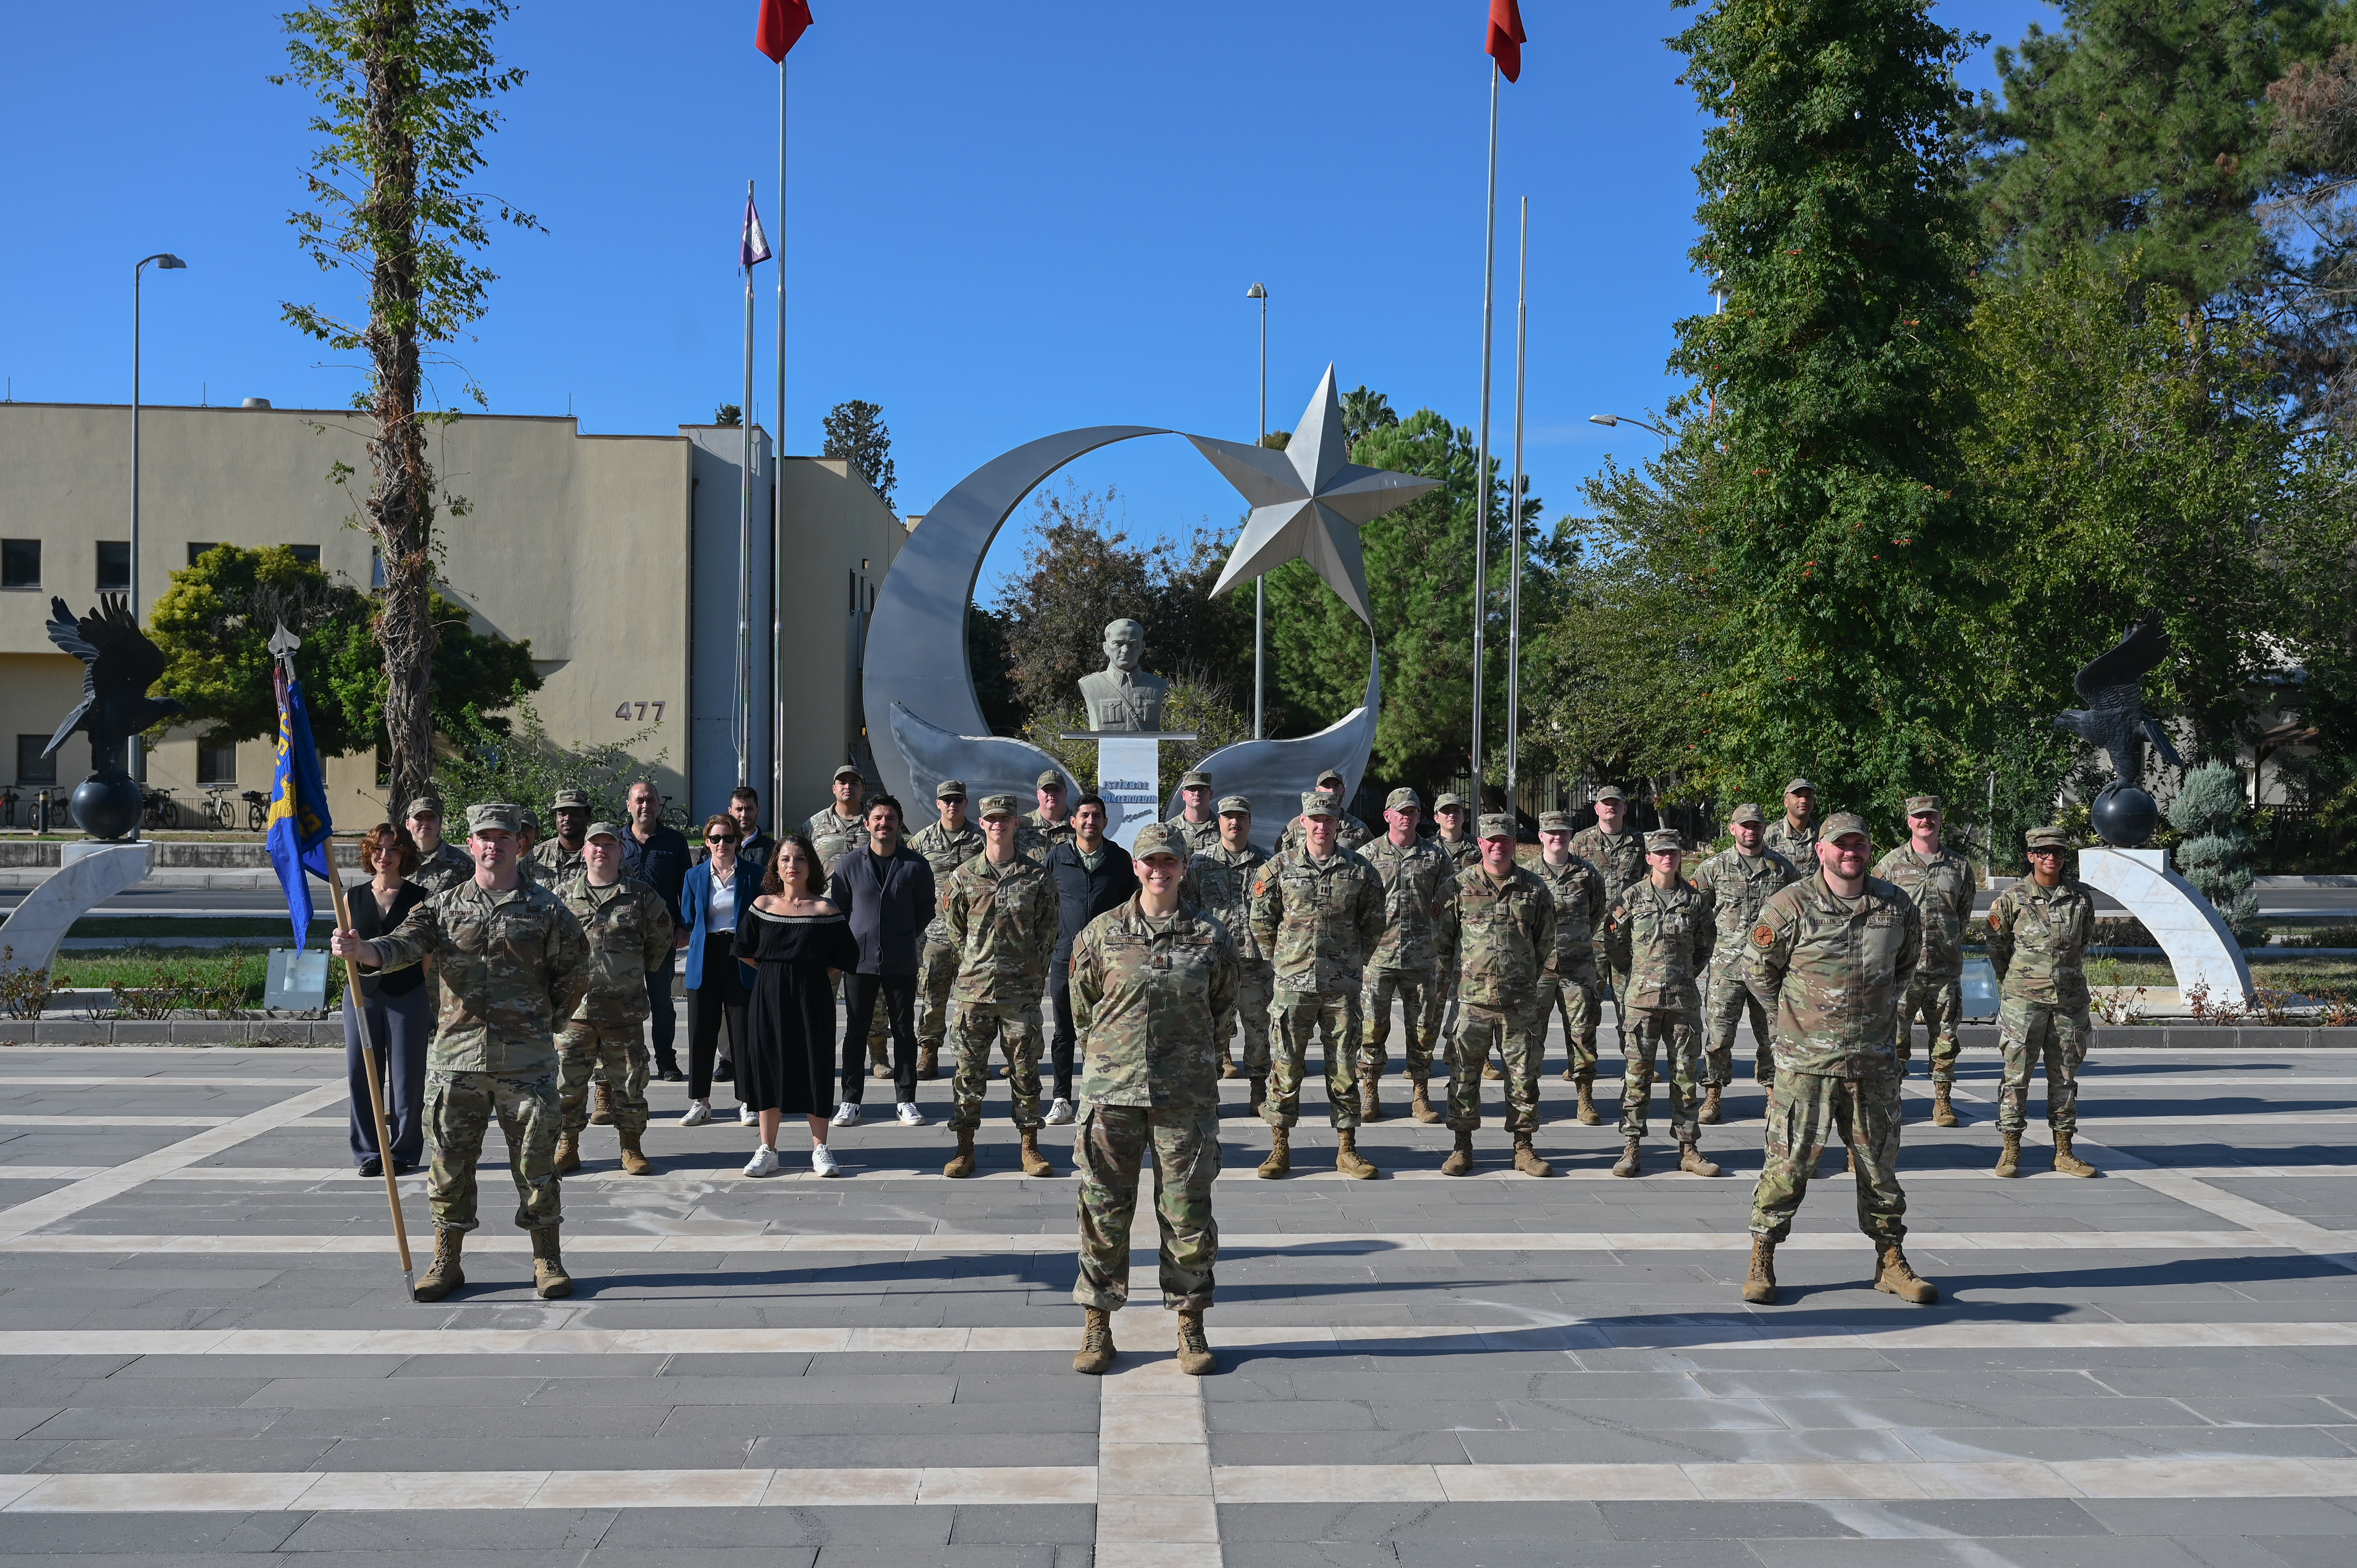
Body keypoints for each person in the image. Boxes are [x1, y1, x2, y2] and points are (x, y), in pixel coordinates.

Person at [330, 803, 591, 1303]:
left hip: (526, 1063)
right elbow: (403, 945)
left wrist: (545, 1023)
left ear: (520, 844)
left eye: (504, 837)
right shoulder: (443, 906)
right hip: (458, 1063)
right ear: (471, 845)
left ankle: (548, 1259)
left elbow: (575, 971)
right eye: (484, 837)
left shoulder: (547, 909)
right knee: (449, 1166)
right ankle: (447, 1261)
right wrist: (363, 952)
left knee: (537, 1166)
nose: (494, 845)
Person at [1743, 811, 1938, 1306]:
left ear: (1869, 849)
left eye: (1859, 844)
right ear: (1821, 851)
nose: (1851, 852)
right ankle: (1762, 1257)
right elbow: (1759, 972)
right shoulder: (1790, 905)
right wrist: (1797, 1025)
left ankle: (1890, 1262)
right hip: (1806, 1067)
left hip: (1873, 1064)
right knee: (1788, 1167)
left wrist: (1873, 1018)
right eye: (1841, 845)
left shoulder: (1896, 906)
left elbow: (1904, 968)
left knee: (1879, 1169)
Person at [1067, 822, 1234, 1378]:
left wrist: (1191, 1060)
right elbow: (1082, 1009)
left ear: (1184, 867)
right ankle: (1097, 1322)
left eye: (1169, 861)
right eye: (1150, 861)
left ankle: (1190, 1323)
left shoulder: (1210, 936)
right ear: (1136, 867)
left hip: (1184, 1098)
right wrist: (1110, 1058)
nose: (1159, 870)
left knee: (1188, 1213)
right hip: (1112, 1094)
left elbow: (1223, 1010)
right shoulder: (1101, 933)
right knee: (1102, 1212)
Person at [1249, 790, 1384, 1179]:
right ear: (1303, 822)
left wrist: (1351, 962)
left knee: (1343, 1067)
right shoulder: (1278, 868)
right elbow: (1261, 919)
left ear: (1337, 823)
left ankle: (1347, 1148)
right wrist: (1281, 961)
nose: (1322, 826)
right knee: (1286, 1066)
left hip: (1341, 987)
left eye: (1328, 819)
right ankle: (1279, 1147)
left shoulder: (1359, 870)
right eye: (1315, 819)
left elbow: (1374, 922)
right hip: (1293, 986)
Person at [941, 793, 1062, 1178]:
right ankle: (964, 1149)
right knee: (968, 1073)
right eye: (992, 819)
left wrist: (1030, 973)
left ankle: (1030, 1146)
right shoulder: (963, 876)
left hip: (1020, 993)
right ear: (982, 824)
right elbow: (956, 932)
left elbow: (1048, 931)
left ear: (1016, 823)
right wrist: (976, 963)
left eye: (1005, 819)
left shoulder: (1037, 876)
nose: (998, 824)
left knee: (1026, 1071)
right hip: (974, 993)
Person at [1434, 813, 1559, 1177]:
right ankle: (1461, 1148)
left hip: (1518, 1002)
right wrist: (1463, 977)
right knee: (1463, 1076)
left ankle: (1523, 1148)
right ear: (1481, 843)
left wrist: (1523, 976)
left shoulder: (1534, 887)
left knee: (1523, 1077)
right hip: (1471, 1001)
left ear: (1514, 844)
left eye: (1504, 840)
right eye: (1491, 840)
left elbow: (1545, 940)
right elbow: (1441, 940)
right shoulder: (1457, 886)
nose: (1497, 846)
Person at [552, 821, 672, 1178]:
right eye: (595, 844)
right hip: (574, 1012)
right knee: (566, 1084)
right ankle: (568, 1146)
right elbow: (547, 945)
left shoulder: (642, 896)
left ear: (621, 852)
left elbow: (661, 939)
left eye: (609, 845)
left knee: (630, 1083)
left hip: (624, 1010)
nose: (601, 850)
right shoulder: (562, 896)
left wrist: (630, 974)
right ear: (585, 851)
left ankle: (631, 1147)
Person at [738, 834, 861, 1177]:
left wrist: (809, 972)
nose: (793, 865)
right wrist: (775, 971)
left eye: (800, 858)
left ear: (812, 865)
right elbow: (744, 949)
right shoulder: (762, 904)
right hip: (768, 998)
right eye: (786, 859)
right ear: (775, 866)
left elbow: (846, 956)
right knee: (768, 1066)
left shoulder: (826, 909)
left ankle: (821, 1148)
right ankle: (768, 1149)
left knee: (815, 1065)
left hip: (813, 998)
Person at [1603, 829, 1717, 1179]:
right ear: (1649, 858)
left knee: (1685, 1077)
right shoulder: (1631, 898)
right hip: (1642, 1003)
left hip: (1682, 1002)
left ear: (1680, 857)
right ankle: (1631, 1147)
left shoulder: (1694, 901)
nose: (1667, 858)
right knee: (1637, 1077)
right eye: (1660, 853)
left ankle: (1688, 1149)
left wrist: (1683, 974)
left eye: (1673, 852)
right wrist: (1639, 973)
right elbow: (1614, 941)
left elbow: (1706, 944)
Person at [1987, 825, 2099, 1179]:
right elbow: (1997, 946)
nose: (2052, 857)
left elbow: (2083, 942)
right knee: (2016, 1077)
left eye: (2059, 851)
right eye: (2044, 851)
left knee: (2065, 1077)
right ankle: (2010, 1150)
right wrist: (2015, 982)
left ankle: (2064, 1152)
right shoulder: (2012, 898)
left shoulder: (2080, 897)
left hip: (2069, 1002)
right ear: (2031, 856)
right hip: (2023, 1002)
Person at [827, 793, 935, 1129]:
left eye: (890, 818)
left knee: (903, 1031)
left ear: (899, 824)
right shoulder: (849, 864)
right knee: (856, 1031)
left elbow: (925, 910)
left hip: (901, 961)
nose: (884, 823)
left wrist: (901, 935)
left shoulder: (915, 865)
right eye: (878, 818)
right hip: (859, 961)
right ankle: (850, 1101)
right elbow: (840, 909)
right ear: (867, 823)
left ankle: (906, 1100)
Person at [1690, 804, 1802, 1124]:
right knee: (1719, 1036)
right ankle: (1713, 1094)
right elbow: (1695, 912)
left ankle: (1773, 1092)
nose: (1750, 831)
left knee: (1773, 1036)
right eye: (1744, 825)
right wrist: (1703, 952)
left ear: (1764, 828)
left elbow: (1797, 914)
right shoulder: (1713, 868)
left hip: (1769, 970)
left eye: (1755, 825)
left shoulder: (1782, 869)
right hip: (1727, 968)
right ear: (1733, 829)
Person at [1875, 795, 1979, 1127]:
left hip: (1944, 968)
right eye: (1919, 816)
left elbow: (1962, 914)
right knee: (1894, 1039)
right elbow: (1878, 913)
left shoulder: (1959, 866)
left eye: (1931, 816)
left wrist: (1946, 942)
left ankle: (1943, 1101)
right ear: (1909, 821)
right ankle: (1892, 1100)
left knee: (1945, 1039)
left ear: (1940, 820)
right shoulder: (1890, 865)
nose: (1925, 821)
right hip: (1901, 970)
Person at [1355, 787, 1452, 1124]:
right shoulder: (1367, 854)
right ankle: (1370, 1093)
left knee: (1423, 1030)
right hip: (1378, 956)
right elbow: (1355, 904)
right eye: (1400, 811)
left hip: (1422, 958)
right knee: (1372, 1028)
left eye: (1412, 812)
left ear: (1419, 816)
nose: (1406, 817)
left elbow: (1449, 905)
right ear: (1387, 815)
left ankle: (1420, 1095)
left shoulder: (1435, 857)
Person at [341, 822, 430, 1178]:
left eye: (393, 849)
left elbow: (426, 954)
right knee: (362, 1073)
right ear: (369, 853)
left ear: (404, 854)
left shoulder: (420, 897)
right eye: (378, 848)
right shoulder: (352, 896)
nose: (385, 855)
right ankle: (368, 1151)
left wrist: (410, 986)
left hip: (407, 994)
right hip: (362, 996)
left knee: (408, 1077)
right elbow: (347, 947)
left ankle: (403, 1151)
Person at [1046, 795, 1138, 1126]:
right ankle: (1061, 1098)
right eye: (1084, 815)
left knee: (1107, 1031)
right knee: (1064, 1032)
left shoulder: (1119, 859)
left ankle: (1100, 1097)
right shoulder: (1057, 858)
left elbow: (1132, 907)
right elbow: (1043, 904)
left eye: (1096, 815)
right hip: (1065, 958)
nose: (1090, 821)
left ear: (1105, 822)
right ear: (1073, 822)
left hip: (1108, 961)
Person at [1182, 796, 1270, 1098]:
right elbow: (1188, 912)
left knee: (1259, 1030)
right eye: (1228, 817)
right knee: (1209, 1031)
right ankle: (1209, 1096)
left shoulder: (1267, 863)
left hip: (1255, 963)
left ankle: (1259, 1092)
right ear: (1218, 821)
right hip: (1213, 962)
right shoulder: (1199, 863)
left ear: (1250, 822)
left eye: (1241, 817)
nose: (1235, 822)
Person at [806, 762, 888, 1080]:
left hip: (865, 923)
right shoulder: (813, 825)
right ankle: (820, 1055)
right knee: (820, 993)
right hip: (825, 924)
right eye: (842, 782)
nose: (848, 787)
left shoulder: (875, 822)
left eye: (854, 782)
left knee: (872, 996)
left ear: (863, 788)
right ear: (834, 788)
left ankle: (878, 1054)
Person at [1532, 811, 1609, 1127]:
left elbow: (1597, 912)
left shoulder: (1587, 873)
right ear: (1541, 836)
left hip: (1577, 967)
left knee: (1582, 1034)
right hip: (1538, 969)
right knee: (1529, 1035)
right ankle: (1527, 1098)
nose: (1557, 838)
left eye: (1563, 833)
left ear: (1570, 836)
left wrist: (1576, 941)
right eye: (1551, 833)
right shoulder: (1527, 873)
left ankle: (1585, 1098)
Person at [677, 814, 753, 1127]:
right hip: (705, 954)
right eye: (716, 838)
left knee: (743, 1031)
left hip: (741, 955)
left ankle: (749, 1101)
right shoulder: (694, 875)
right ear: (707, 842)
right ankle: (701, 1102)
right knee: (701, 1031)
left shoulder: (753, 873)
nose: (723, 844)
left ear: (737, 841)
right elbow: (687, 916)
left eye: (729, 838)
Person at [908, 779, 986, 1082]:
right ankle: (928, 1053)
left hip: (974, 937)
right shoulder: (922, 841)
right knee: (933, 999)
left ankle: (972, 1059)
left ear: (966, 803)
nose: (952, 805)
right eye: (947, 800)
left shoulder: (981, 840)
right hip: (936, 936)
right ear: (938, 804)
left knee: (974, 1003)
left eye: (958, 800)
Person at [622, 780, 693, 1082]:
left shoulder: (674, 841)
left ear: (658, 805)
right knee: (625, 1002)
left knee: (662, 1002)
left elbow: (686, 888)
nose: (645, 805)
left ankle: (666, 1061)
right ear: (629, 805)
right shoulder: (616, 841)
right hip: (623, 937)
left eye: (651, 800)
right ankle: (630, 1061)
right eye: (639, 800)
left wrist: (684, 926)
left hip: (662, 938)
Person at [1571, 786, 1646, 1050]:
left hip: (1629, 938)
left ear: (1625, 808)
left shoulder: (1640, 842)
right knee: (1587, 1005)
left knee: (1631, 1005)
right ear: (1597, 809)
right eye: (1605, 803)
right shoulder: (1580, 842)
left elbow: (1650, 883)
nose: (1610, 807)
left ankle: (1636, 1063)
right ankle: (1584, 1065)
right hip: (1592, 937)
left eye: (1616, 803)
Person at [1424, 792, 1483, 1073]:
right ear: (1436, 817)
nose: (1452, 815)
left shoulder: (1479, 848)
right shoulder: (1426, 849)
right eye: (1446, 811)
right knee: (1434, 998)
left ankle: (1468, 1052)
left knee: (1471, 995)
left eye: (1457, 811)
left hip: (1473, 933)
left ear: (1463, 816)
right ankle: (1423, 1054)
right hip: (1437, 934)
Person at [1275, 768, 1374, 854]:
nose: (1332, 791)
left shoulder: (1359, 828)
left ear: (1344, 791)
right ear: (1317, 791)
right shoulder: (1297, 825)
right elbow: (1283, 859)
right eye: (1326, 786)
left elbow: (1373, 858)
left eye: (1336, 786)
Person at [406, 796, 476, 896]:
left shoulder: (462, 863)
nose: (425, 822)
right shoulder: (398, 859)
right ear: (408, 824)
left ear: (440, 824)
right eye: (418, 817)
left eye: (431, 817)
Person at [529, 788, 591, 885]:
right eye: (562, 814)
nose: (567, 819)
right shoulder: (537, 855)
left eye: (575, 814)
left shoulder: (599, 854)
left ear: (587, 817)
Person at [1763, 778, 1821, 867]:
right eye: (1798, 796)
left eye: (1809, 797)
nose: (1804, 801)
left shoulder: (1821, 834)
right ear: (1786, 802)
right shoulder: (1769, 834)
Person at [1164, 769, 1222, 857]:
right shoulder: (1171, 829)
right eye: (1192, 790)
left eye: (1203, 790)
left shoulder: (1223, 827)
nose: (1197, 794)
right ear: (1184, 795)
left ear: (1211, 795)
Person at [1020, 769, 1077, 855]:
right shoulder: (1021, 825)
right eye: (1046, 790)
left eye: (1057, 789)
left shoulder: (1078, 824)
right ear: (1038, 794)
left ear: (1066, 792)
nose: (1051, 794)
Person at [727, 785, 776, 875]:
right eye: (739, 809)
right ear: (730, 812)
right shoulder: (719, 847)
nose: (744, 815)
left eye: (749, 809)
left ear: (758, 810)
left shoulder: (773, 849)